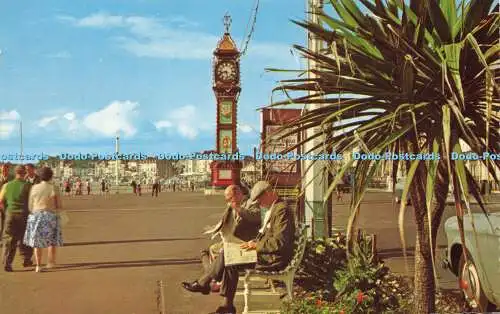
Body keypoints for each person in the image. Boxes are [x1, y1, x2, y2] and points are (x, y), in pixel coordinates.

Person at [182, 181, 295, 314]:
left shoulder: (281, 210)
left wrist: (256, 245)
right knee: (230, 256)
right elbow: (271, 237)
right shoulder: (275, 207)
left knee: (229, 256)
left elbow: (280, 242)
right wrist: (254, 241)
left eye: (260, 199)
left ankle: (207, 286)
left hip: (273, 259)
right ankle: (224, 305)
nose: (259, 203)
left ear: (269, 193)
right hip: (267, 254)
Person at [23, 167, 63, 272]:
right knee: (51, 240)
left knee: (37, 241)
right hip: (49, 215)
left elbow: (30, 205)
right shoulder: (53, 187)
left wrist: (34, 211)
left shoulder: (34, 188)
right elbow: (58, 205)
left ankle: (38, 265)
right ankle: (50, 262)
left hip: (35, 215)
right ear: (51, 176)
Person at [0, 165, 34, 271]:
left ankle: (7, 262)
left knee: (9, 239)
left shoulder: (7, 185)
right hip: (24, 214)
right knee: (25, 238)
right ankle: (26, 259)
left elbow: (1, 201)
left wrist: (6, 211)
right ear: (24, 173)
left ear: (15, 173)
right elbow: (31, 202)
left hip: (10, 214)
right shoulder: (28, 185)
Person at [0, 163, 12, 246]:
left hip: (7, 204)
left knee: (6, 221)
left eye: (5, 169)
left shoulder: (12, 179)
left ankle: (6, 239)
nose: (4, 171)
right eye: (2, 169)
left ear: (8, 169)